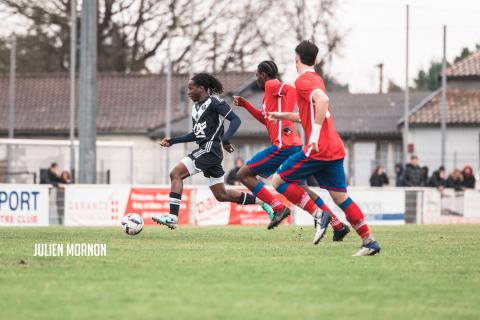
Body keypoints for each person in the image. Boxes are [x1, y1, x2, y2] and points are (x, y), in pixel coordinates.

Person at [268, 40, 380, 256]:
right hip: (334, 148)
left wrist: (315, 135)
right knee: (340, 198)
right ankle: (369, 241)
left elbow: (323, 100)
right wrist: (282, 116)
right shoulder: (316, 78)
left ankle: (320, 215)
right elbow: (308, 114)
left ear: (296, 59)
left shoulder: (302, 81)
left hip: (317, 148)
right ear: (316, 60)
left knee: (278, 180)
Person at [233, 60, 349, 241]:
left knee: (243, 174)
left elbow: (292, 90)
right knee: (302, 189)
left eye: (257, 74)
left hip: (282, 146)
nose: (256, 78)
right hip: (294, 145)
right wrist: (247, 105)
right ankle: (337, 225)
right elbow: (266, 119)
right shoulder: (268, 96)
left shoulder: (272, 84)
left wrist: (289, 116)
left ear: (264, 74)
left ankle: (277, 207)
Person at [153, 73, 272, 229]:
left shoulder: (214, 102)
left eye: (190, 88)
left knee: (175, 174)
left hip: (210, 150)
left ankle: (172, 217)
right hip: (208, 151)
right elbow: (197, 134)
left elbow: (236, 120)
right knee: (221, 195)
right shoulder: (196, 108)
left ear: (201, 88)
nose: (188, 92)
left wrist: (226, 139)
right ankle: (263, 201)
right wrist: (173, 141)